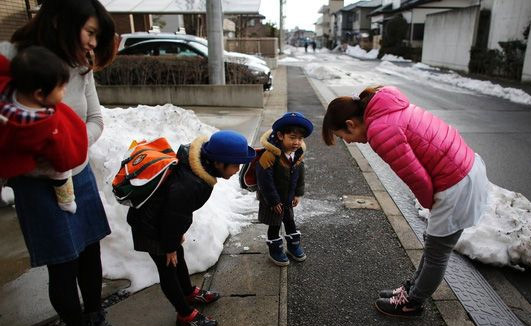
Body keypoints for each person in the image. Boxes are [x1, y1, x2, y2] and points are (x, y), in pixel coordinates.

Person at [322, 86, 489, 318]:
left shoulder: (380, 130)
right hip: (464, 168)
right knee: (432, 245)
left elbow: (417, 179)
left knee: (437, 254)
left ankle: (412, 303)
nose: (349, 143)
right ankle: (414, 288)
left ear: (351, 124)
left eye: (344, 137)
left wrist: (431, 205)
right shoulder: (386, 109)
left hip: (456, 184)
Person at [2, 0, 117, 325]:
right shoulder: (13, 58)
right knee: (63, 263)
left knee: (90, 252)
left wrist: (67, 144)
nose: (93, 43)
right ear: (62, 21)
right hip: (35, 185)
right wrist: (36, 151)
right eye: (91, 32)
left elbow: (95, 119)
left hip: (78, 174)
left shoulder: (79, 64)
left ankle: (95, 314)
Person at [127, 131, 256, 326]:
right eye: (235, 165)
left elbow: (176, 213)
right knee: (168, 268)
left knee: (177, 257)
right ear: (219, 163)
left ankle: (188, 293)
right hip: (150, 226)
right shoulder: (191, 183)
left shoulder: (199, 167)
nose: (237, 169)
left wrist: (175, 238)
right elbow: (174, 215)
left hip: (163, 221)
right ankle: (185, 315)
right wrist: (169, 245)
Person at [0, 46, 88, 214]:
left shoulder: (6, 94)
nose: (65, 91)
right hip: (40, 164)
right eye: (61, 88)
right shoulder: (45, 124)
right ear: (39, 94)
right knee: (61, 173)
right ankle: (67, 200)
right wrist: (66, 161)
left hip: (8, 156)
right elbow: (62, 156)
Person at [256, 112, 313, 266]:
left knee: (290, 221)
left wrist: (298, 194)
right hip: (272, 200)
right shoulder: (270, 156)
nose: (297, 142)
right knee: (274, 225)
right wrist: (273, 201)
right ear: (281, 136)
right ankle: (275, 249)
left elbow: (300, 175)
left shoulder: (297, 154)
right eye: (292, 137)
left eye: (300, 138)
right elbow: (264, 181)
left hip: (288, 198)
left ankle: (293, 246)